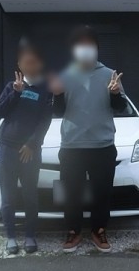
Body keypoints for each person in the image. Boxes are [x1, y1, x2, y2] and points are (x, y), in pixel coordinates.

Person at [49, 25, 127, 253]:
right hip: (72, 146)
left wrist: (115, 94)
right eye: (80, 45)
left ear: (96, 48)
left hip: (103, 146)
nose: (85, 49)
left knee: (101, 193)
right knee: (71, 192)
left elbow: (121, 108)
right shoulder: (65, 75)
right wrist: (57, 95)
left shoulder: (110, 74)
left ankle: (99, 230)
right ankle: (73, 230)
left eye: (89, 45)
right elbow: (58, 112)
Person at [0, 40, 53, 254]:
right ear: (19, 65)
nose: (29, 65)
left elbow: (45, 120)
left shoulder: (45, 90)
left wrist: (32, 144)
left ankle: (30, 235)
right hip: (7, 150)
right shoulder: (11, 87)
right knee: (8, 195)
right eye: (25, 62)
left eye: (33, 62)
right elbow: (0, 111)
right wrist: (16, 93)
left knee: (30, 195)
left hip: (30, 152)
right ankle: (10, 236)